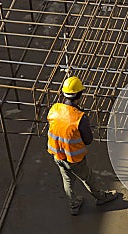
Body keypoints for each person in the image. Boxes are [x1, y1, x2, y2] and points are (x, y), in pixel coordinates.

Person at [47, 76, 118, 215]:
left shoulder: (54, 109)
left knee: (67, 180)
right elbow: (88, 139)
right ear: (80, 94)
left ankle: (74, 205)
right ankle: (102, 197)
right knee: (88, 178)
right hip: (74, 158)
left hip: (57, 155)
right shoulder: (79, 117)